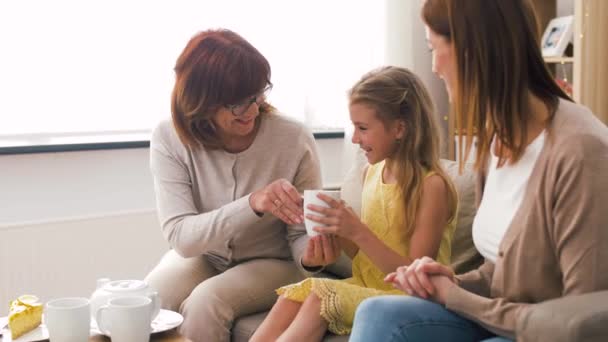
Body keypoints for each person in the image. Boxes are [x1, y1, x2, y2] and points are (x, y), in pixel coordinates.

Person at [350, 1, 608, 341]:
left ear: (473, 52)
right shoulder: (496, 138)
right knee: (378, 314)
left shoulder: (580, 151)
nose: (435, 67)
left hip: (547, 333)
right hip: (502, 317)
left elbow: (579, 323)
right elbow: (501, 272)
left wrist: (455, 296)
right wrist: (452, 281)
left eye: (434, 48)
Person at [143, 29, 341, 342]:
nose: (252, 110)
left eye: (257, 94)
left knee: (206, 303)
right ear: (202, 101)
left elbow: (300, 236)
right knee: (148, 301)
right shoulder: (170, 138)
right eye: (237, 103)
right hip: (204, 256)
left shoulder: (292, 138)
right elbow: (181, 237)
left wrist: (312, 257)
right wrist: (251, 204)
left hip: (274, 262)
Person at [250, 66, 459, 341]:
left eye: (362, 128)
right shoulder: (371, 173)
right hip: (367, 286)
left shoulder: (431, 186)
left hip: (407, 298)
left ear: (399, 128)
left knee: (319, 299)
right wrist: (336, 228)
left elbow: (414, 278)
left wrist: (357, 230)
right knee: (294, 295)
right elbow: (362, 255)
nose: (355, 138)